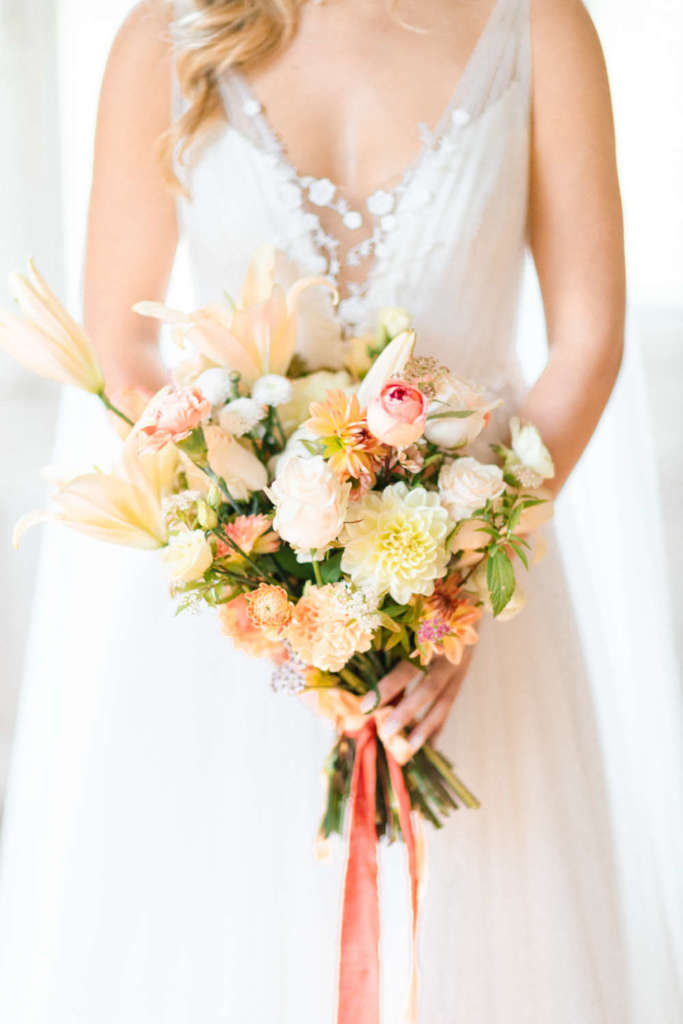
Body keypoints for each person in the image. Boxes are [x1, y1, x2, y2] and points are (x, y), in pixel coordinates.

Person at [0, 0, 680, 1020]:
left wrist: (461, 578)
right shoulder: (163, 39)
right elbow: (118, 339)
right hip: (234, 631)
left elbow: (586, 337)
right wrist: (263, 551)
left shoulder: (539, 25)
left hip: (472, 624)